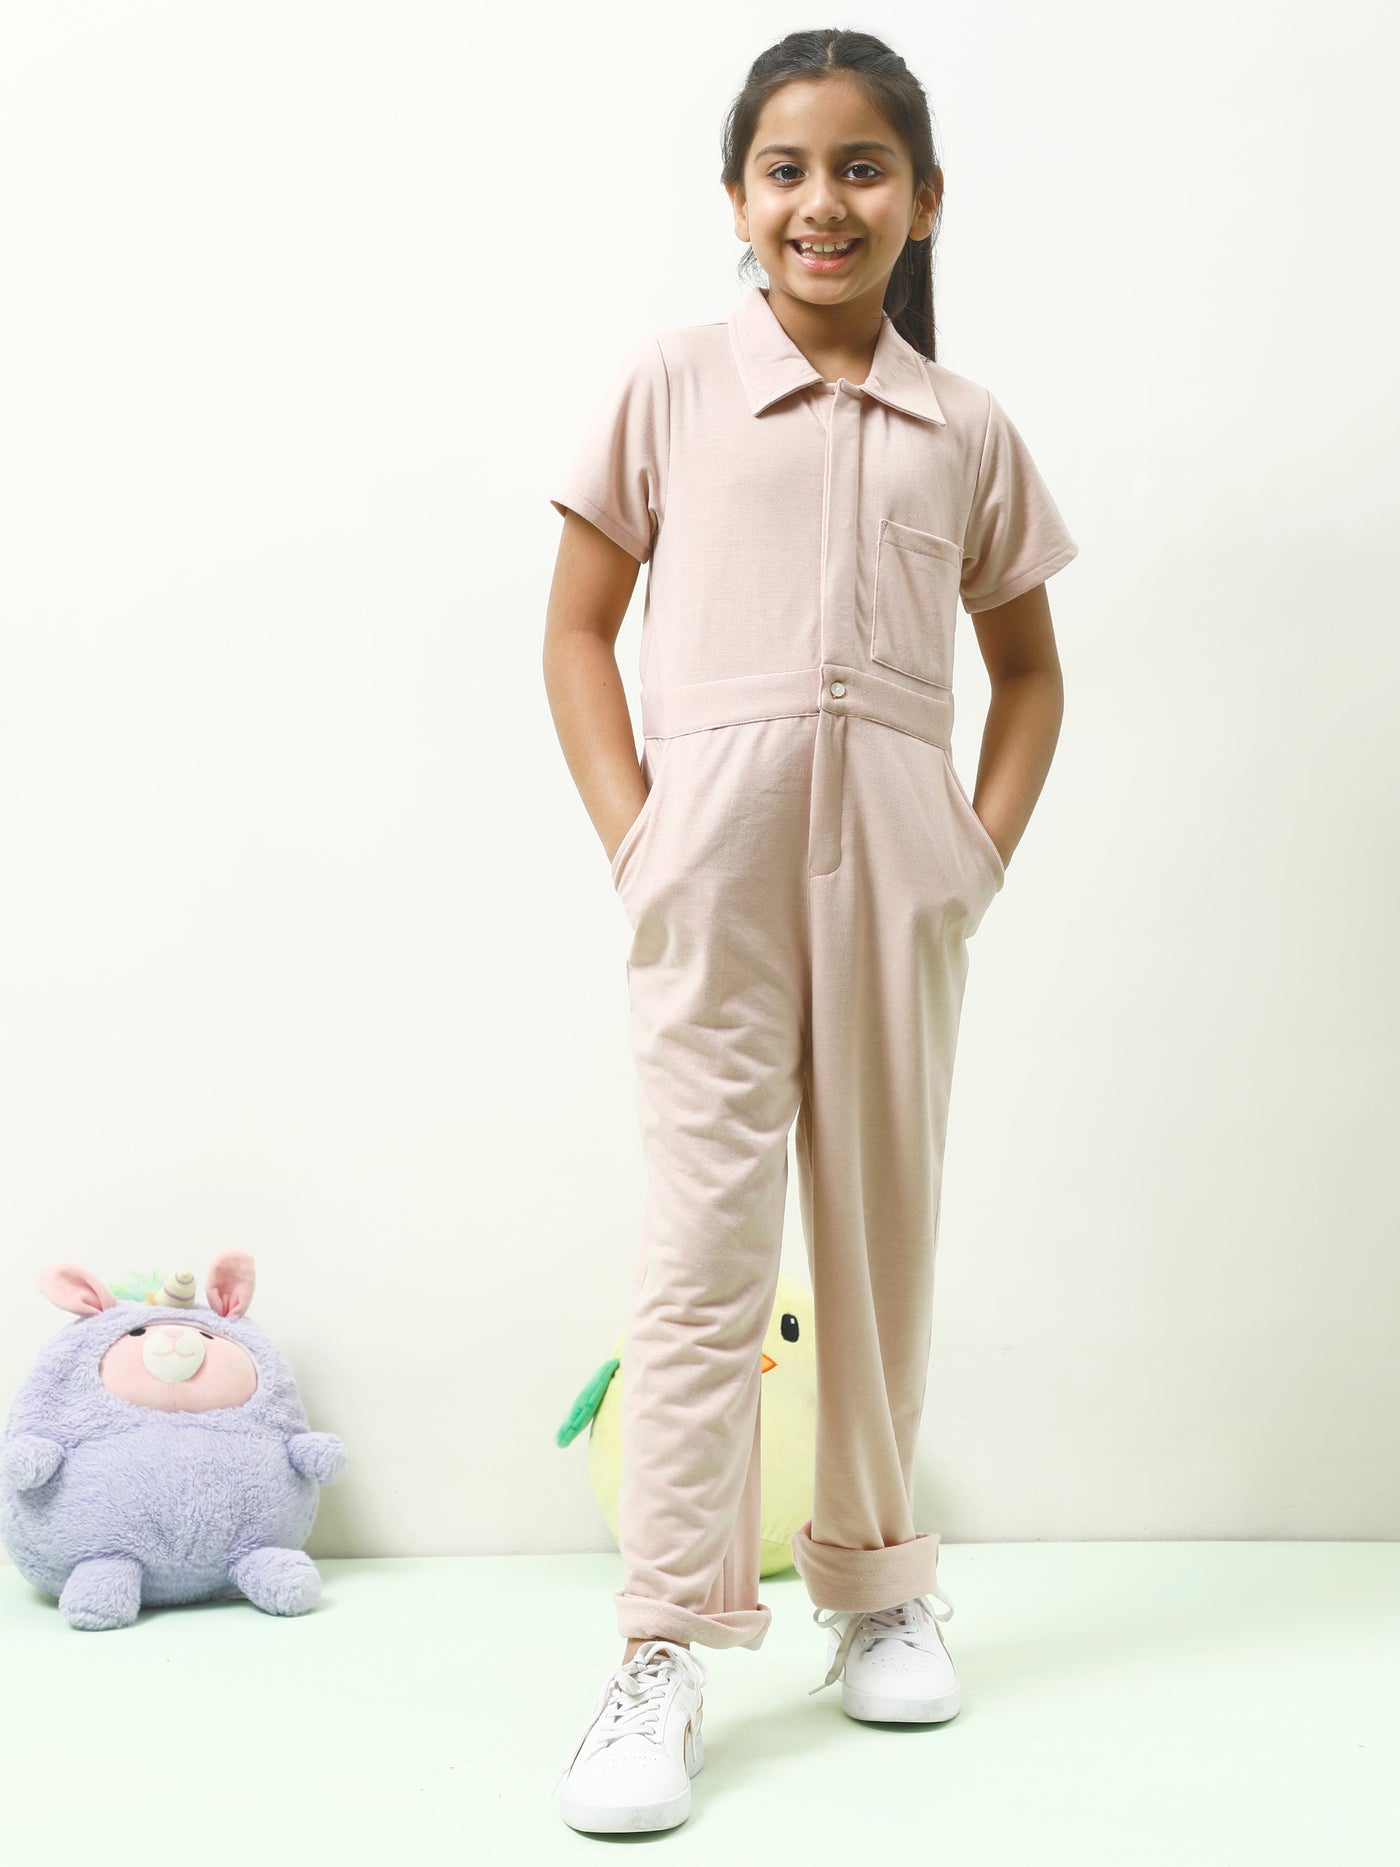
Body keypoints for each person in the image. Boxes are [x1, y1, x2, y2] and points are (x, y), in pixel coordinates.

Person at [543, 26, 1079, 1835]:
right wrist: (642, 839)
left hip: (896, 876)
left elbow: (1028, 672)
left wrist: (971, 856)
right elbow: (575, 629)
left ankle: (876, 1586)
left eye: (862, 167)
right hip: (713, 869)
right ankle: (665, 1645)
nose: (823, 201)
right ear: (737, 197)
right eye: (787, 169)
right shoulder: (672, 385)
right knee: (704, 1253)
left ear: (924, 200)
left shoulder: (965, 426)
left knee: (876, 1245)